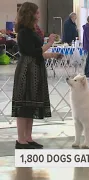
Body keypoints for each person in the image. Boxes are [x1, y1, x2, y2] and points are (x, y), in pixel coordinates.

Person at [11, 2, 62, 149]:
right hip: (27, 70)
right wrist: (50, 43)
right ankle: (21, 140)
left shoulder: (32, 31)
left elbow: (38, 53)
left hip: (36, 69)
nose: (39, 15)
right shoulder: (23, 32)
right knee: (23, 105)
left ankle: (28, 137)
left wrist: (52, 55)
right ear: (30, 14)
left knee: (31, 105)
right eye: (37, 12)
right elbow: (34, 52)